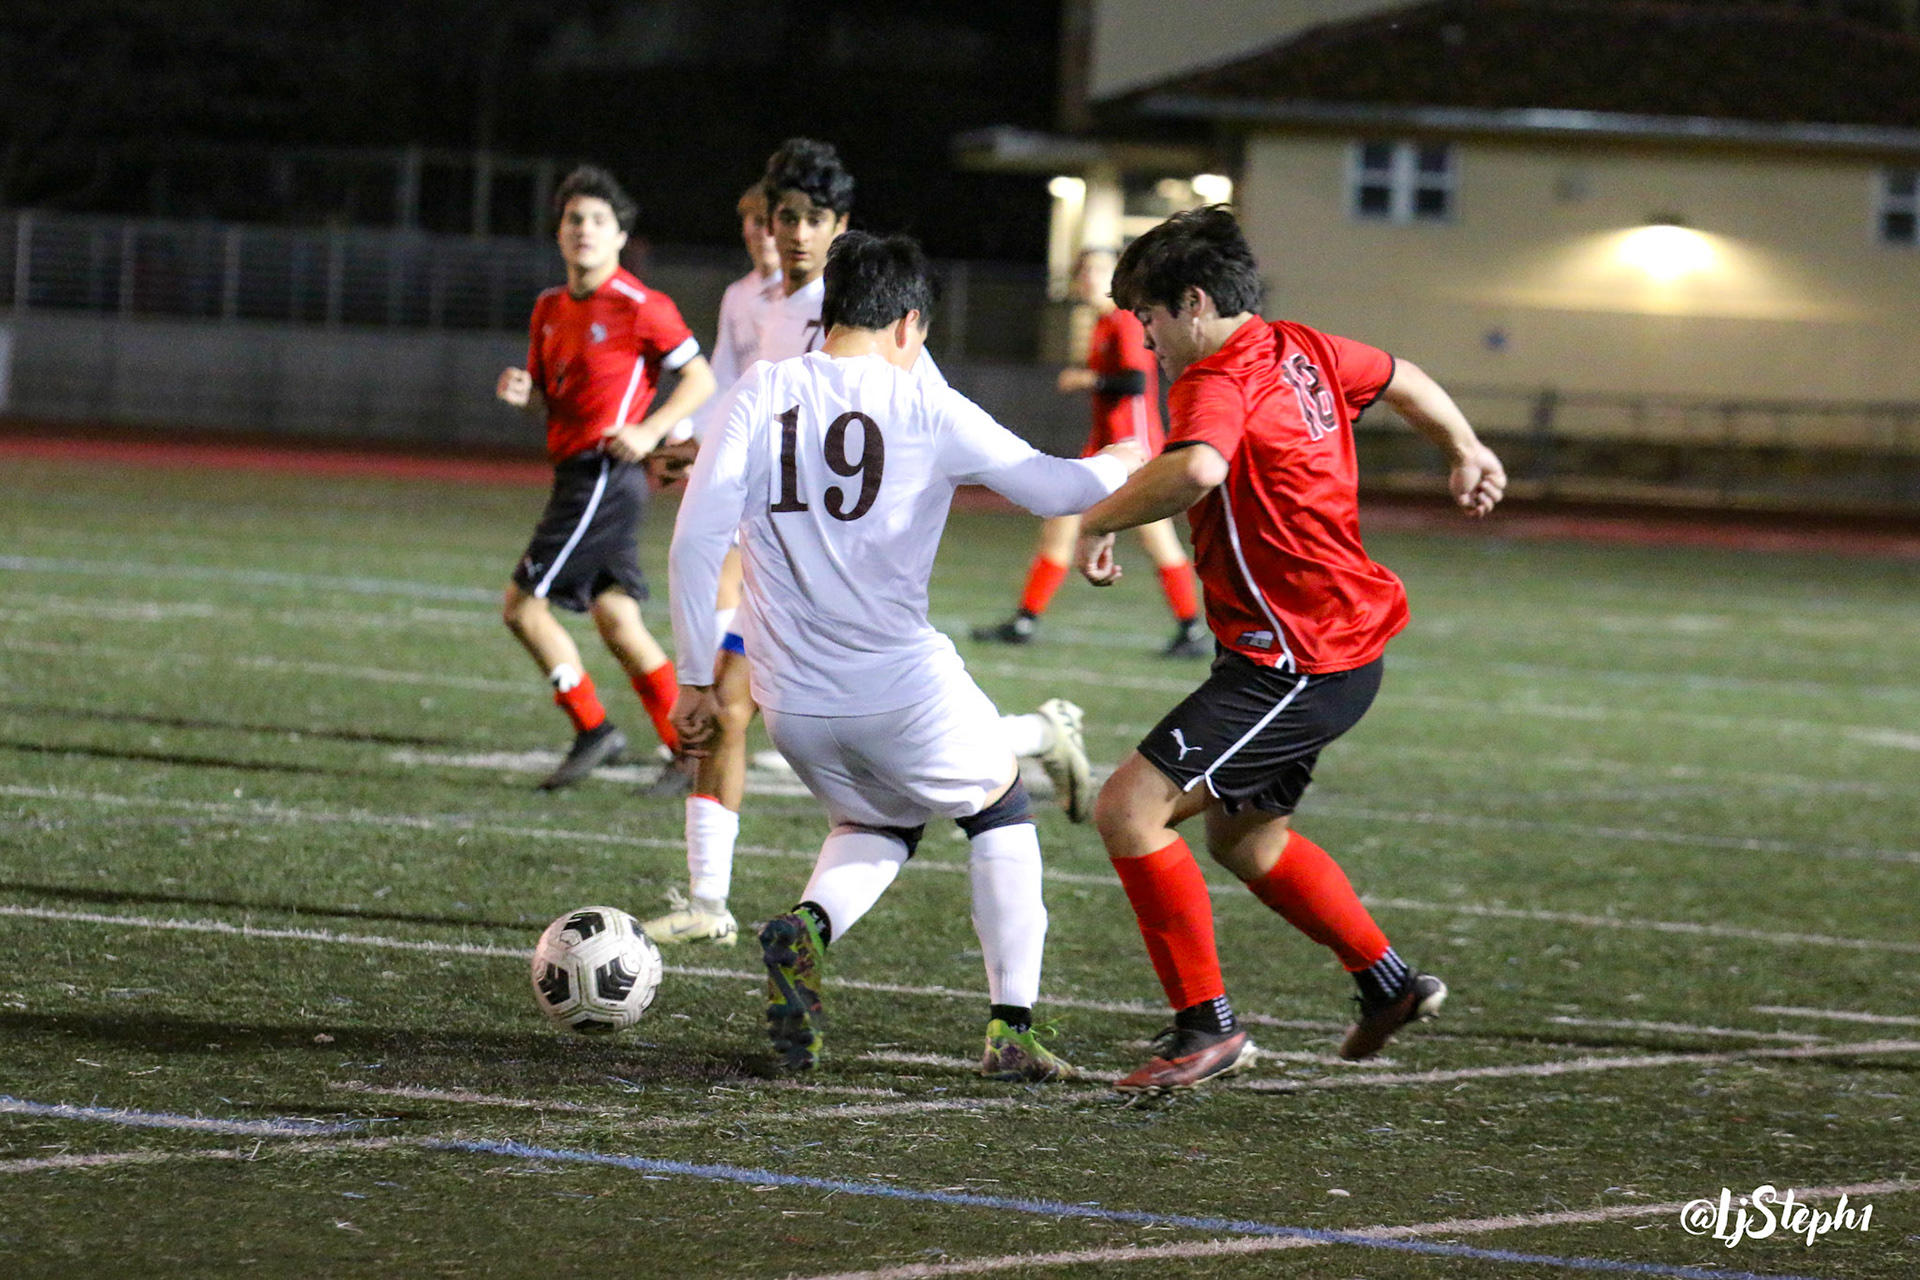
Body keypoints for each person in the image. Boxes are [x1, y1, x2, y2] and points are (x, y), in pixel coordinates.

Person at [668, 231, 1143, 1078]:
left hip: (790, 703)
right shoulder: (927, 403)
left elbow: (695, 542)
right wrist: (1123, 460)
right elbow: (1055, 488)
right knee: (999, 808)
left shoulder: (762, 389)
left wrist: (697, 679)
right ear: (909, 324)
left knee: (879, 821)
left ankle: (806, 930)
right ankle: (1012, 1031)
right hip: (898, 688)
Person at [1073, 206, 1507, 1094]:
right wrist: (1464, 447)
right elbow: (1406, 377)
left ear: (1195, 303)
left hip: (1294, 660)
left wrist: (1098, 519)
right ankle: (1389, 985)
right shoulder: (1303, 347)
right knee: (1247, 839)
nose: (1149, 342)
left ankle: (1208, 1029)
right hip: (1329, 646)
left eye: (1150, 318)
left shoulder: (1215, 376)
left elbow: (1198, 467)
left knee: (1128, 810)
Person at [638, 139, 1093, 950]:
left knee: (757, 714)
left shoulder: (862, 318)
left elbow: (911, 411)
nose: (790, 233)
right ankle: (711, 900)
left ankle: (723, 901)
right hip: (783, 544)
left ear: (839, 227)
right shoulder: (751, 299)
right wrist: (695, 447)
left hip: (822, 569)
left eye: (809, 219)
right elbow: (734, 405)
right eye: (779, 217)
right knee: (745, 710)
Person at [494, 166, 716, 791]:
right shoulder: (549, 308)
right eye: (574, 219)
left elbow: (699, 377)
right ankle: (689, 750)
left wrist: (650, 430)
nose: (584, 230)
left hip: (605, 475)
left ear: (620, 236)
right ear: (559, 232)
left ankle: (593, 728)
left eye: (598, 220)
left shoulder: (641, 305)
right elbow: (552, 399)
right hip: (575, 473)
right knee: (618, 619)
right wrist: (527, 395)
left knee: (521, 607)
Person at [972, 248, 1206, 658]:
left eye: (1099, 269)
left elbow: (1135, 383)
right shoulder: (1102, 322)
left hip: (1134, 450)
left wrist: (1088, 379)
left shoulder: (1125, 320)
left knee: (1156, 539)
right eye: (1084, 270)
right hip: (1106, 446)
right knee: (1060, 523)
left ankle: (1191, 629)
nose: (1090, 277)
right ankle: (1025, 621)